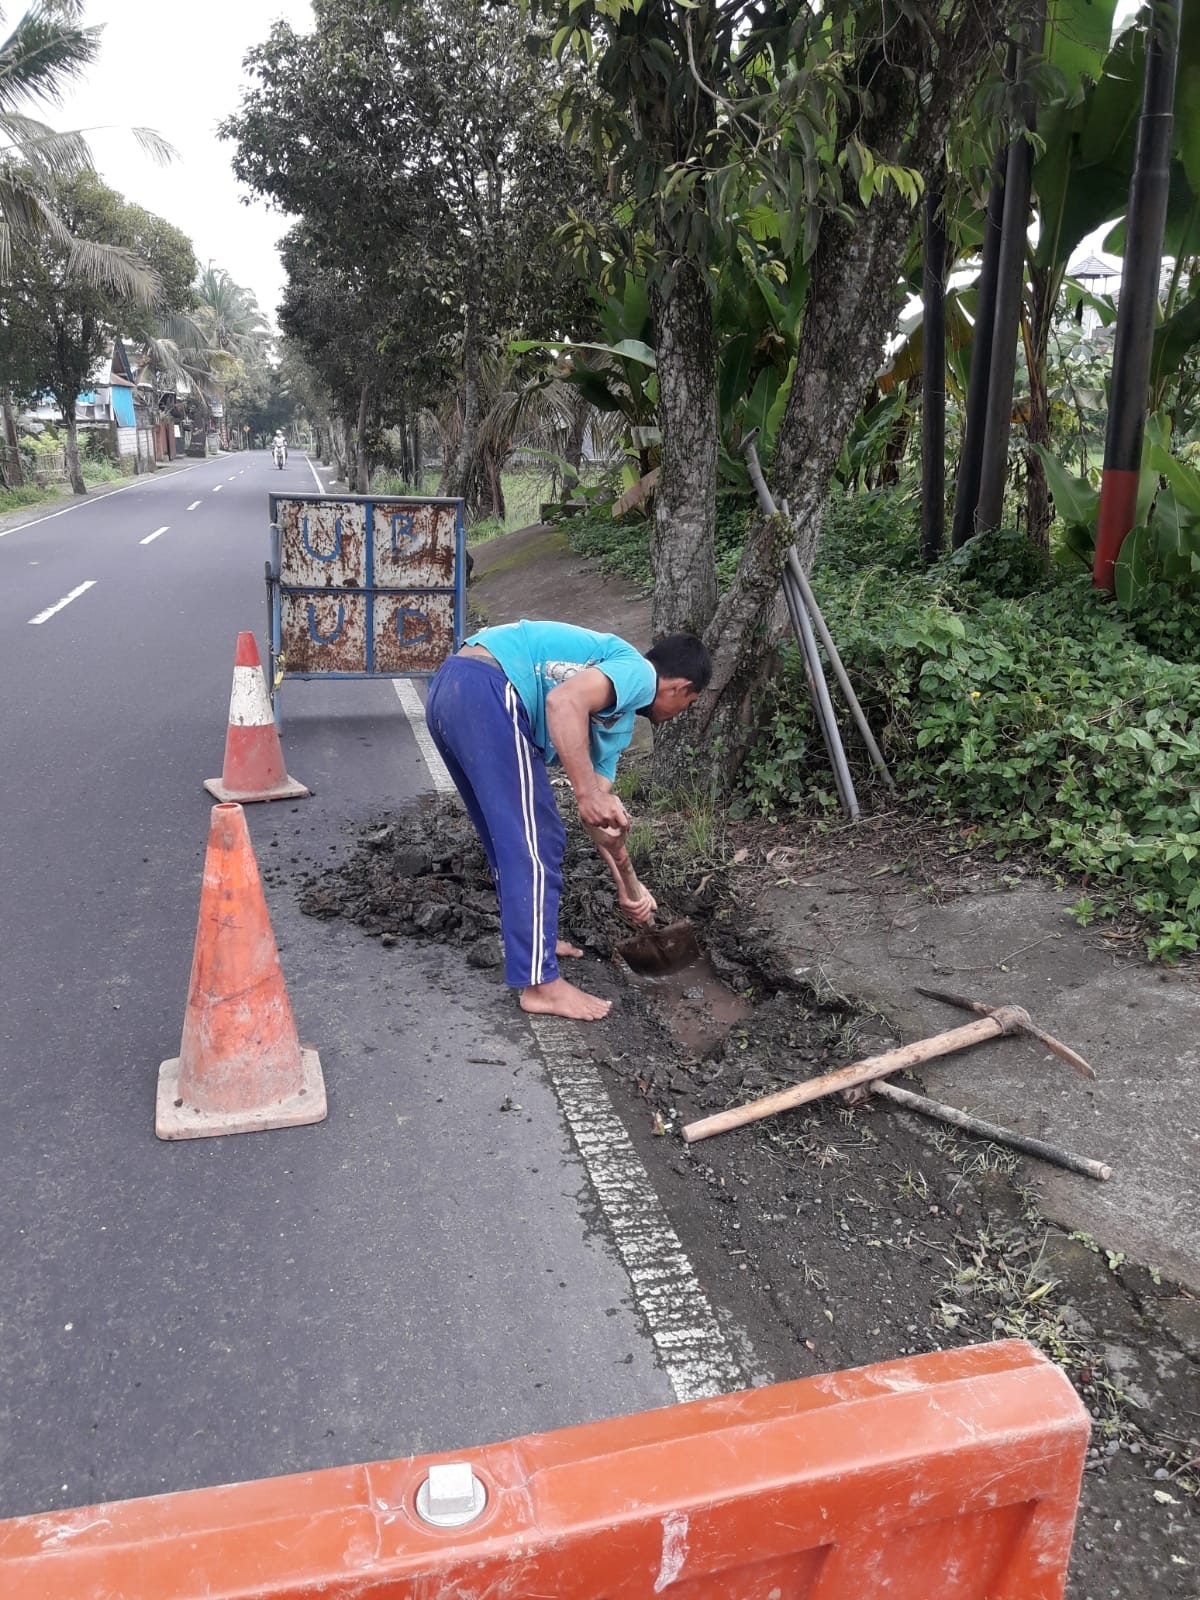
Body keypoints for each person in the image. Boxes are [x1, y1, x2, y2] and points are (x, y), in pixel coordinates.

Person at [426, 620, 712, 1021]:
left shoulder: (619, 720)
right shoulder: (638, 673)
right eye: (690, 703)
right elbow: (563, 703)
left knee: (512, 840)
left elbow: (599, 821)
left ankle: (533, 942)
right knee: (539, 838)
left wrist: (627, 886)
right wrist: (587, 793)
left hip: (450, 688)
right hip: (489, 687)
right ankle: (541, 985)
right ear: (680, 687)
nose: (682, 712)